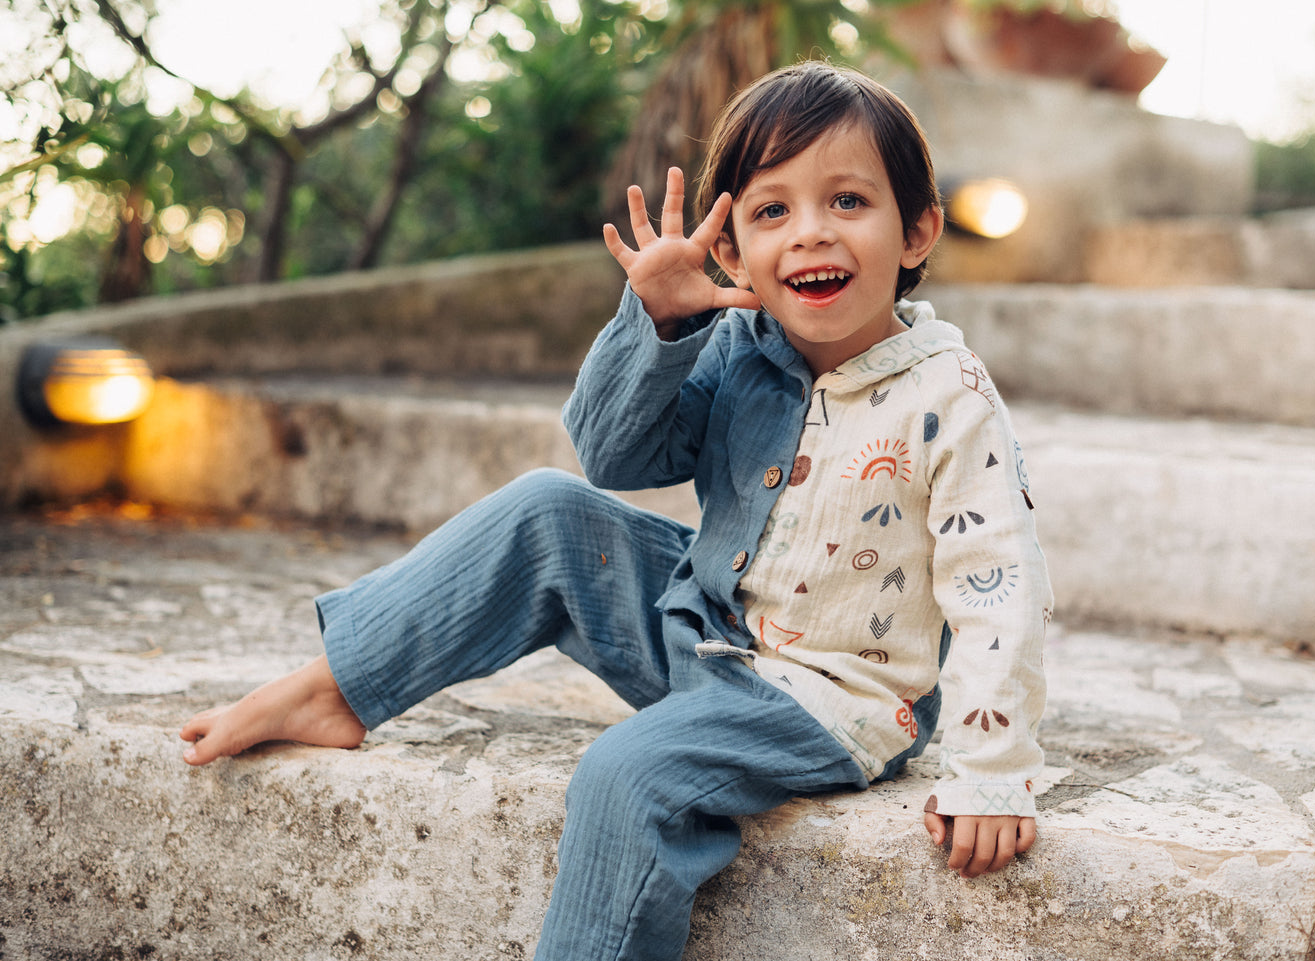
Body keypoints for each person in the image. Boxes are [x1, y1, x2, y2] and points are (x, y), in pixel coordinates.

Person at [180, 60, 1051, 961]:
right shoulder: (738, 348)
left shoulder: (949, 394)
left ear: (917, 232)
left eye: (847, 203)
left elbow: (998, 587)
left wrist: (991, 773)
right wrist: (660, 326)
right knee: (547, 508)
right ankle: (339, 686)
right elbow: (614, 456)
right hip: (700, 632)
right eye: (771, 211)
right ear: (729, 252)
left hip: (832, 699)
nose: (809, 235)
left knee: (625, 770)